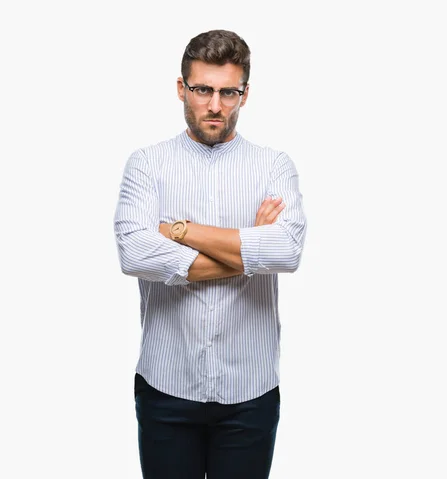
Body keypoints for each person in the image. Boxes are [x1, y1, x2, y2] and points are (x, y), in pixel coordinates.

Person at [113, 29, 307, 479]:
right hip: (167, 387)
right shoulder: (147, 165)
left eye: (227, 92)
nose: (215, 105)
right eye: (202, 90)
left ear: (245, 93)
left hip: (250, 394)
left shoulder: (273, 166)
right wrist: (247, 247)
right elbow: (134, 254)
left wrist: (179, 232)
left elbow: (288, 250)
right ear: (182, 88)